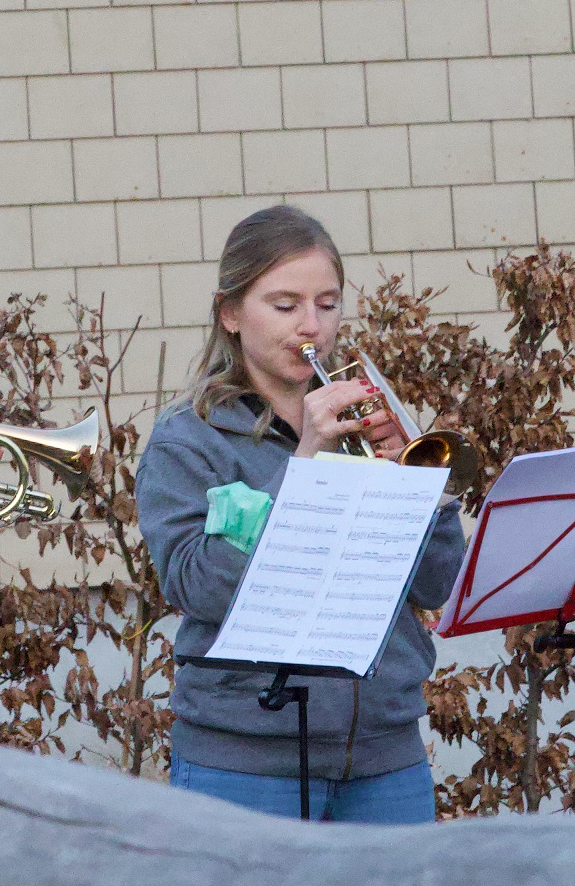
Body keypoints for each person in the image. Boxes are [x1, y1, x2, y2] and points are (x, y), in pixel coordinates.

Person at [137, 205, 468, 823]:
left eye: (328, 303)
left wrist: (425, 493)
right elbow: (195, 586)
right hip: (243, 757)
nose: (310, 327)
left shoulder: (367, 421)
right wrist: (307, 471)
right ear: (230, 313)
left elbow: (435, 583)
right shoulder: (190, 439)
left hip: (383, 753)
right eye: (285, 306)